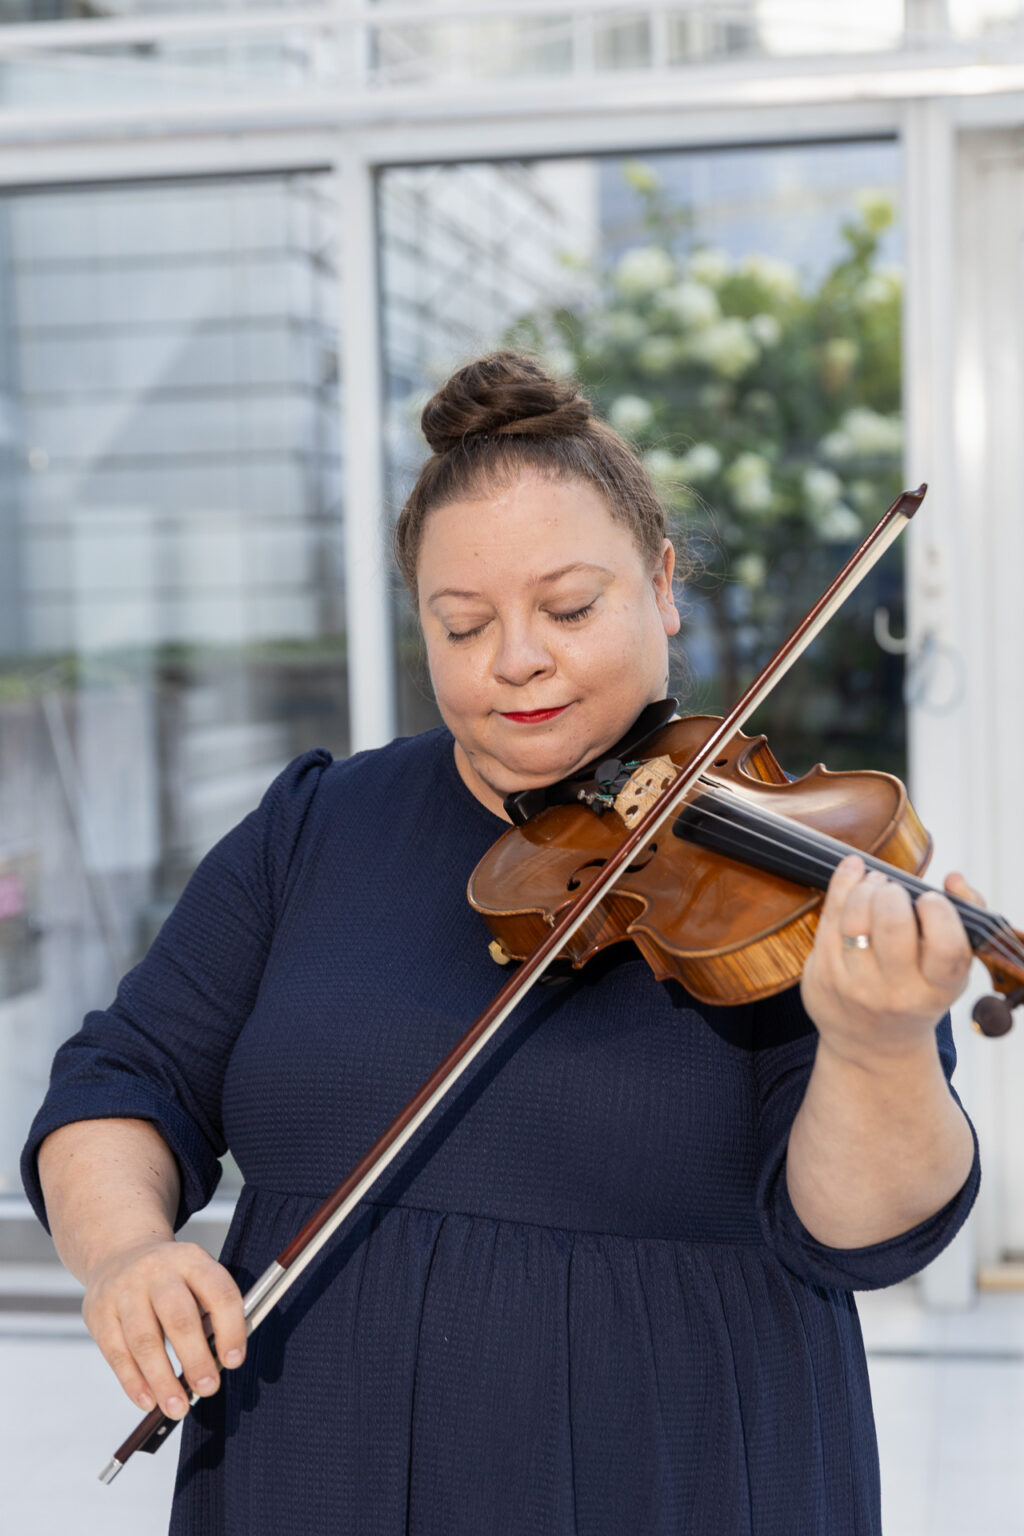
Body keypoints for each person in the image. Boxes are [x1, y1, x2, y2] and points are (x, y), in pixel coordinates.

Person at [23, 352, 979, 1535]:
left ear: (662, 584)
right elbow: (122, 1078)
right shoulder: (315, 826)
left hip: (678, 1480)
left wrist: (879, 1045)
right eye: (462, 623)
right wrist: (124, 1253)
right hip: (308, 1478)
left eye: (568, 610)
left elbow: (869, 1231)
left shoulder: (773, 873)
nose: (515, 658)